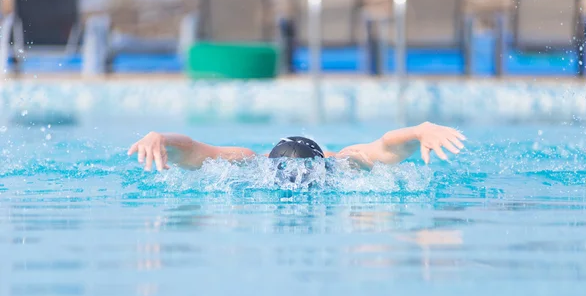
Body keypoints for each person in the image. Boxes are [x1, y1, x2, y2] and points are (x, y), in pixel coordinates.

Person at [127, 122, 466, 173]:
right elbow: (194, 151)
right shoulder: (248, 161)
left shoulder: (343, 163)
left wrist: (421, 131)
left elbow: (385, 148)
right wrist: (160, 138)